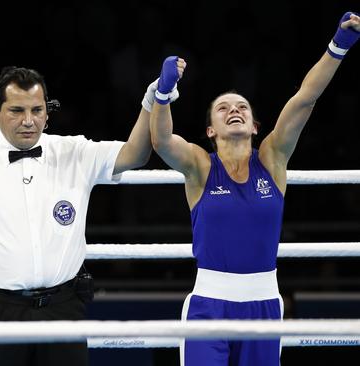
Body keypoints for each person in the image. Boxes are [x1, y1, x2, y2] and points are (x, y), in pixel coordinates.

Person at [0, 66, 179, 365]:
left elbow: (135, 155)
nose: (28, 121)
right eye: (17, 111)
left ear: (47, 112)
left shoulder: (74, 151)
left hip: (63, 309)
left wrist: (153, 102)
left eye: (37, 110)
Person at [149, 11, 360, 366]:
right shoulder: (201, 166)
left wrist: (337, 47)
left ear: (255, 126)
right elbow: (162, 141)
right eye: (223, 108)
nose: (234, 109)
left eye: (242, 106)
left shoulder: (273, 160)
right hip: (208, 306)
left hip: (264, 303)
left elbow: (304, 100)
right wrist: (163, 93)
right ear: (211, 130)